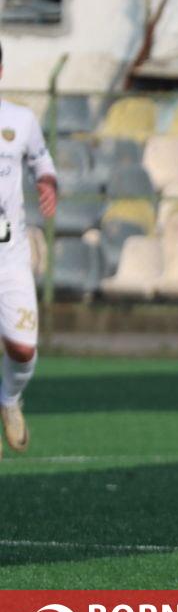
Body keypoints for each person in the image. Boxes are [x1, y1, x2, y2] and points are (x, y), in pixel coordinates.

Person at [0, 39, 58, 458]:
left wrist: (47, 181)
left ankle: (9, 399)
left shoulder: (20, 120)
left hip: (9, 255)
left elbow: (41, 159)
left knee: (22, 349)